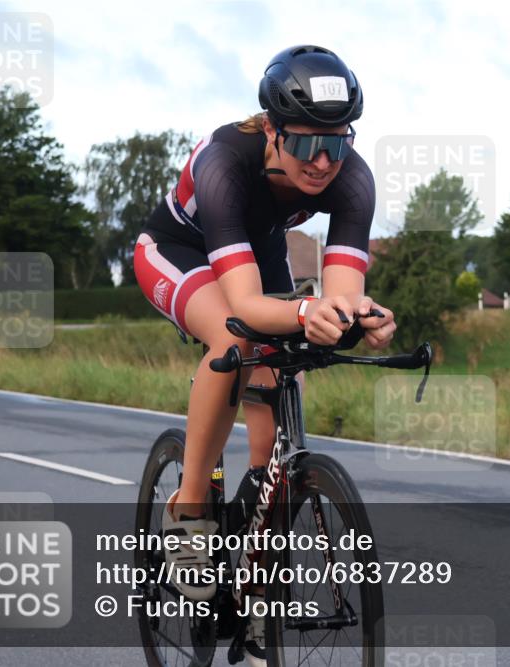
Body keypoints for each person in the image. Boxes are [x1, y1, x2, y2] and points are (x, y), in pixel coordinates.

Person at [132, 44, 396, 663]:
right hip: (181, 249)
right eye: (306, 144)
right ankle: (189, 511)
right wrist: (307, 311)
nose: (324, 161)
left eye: (338, 142)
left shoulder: (352, 178)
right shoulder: (226, 161)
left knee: (283, 380)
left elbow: (341, 291)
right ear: (273, 132)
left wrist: (360, 314)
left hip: (260, 247)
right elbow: (248, 305)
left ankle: (258, 577)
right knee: (237, 338)